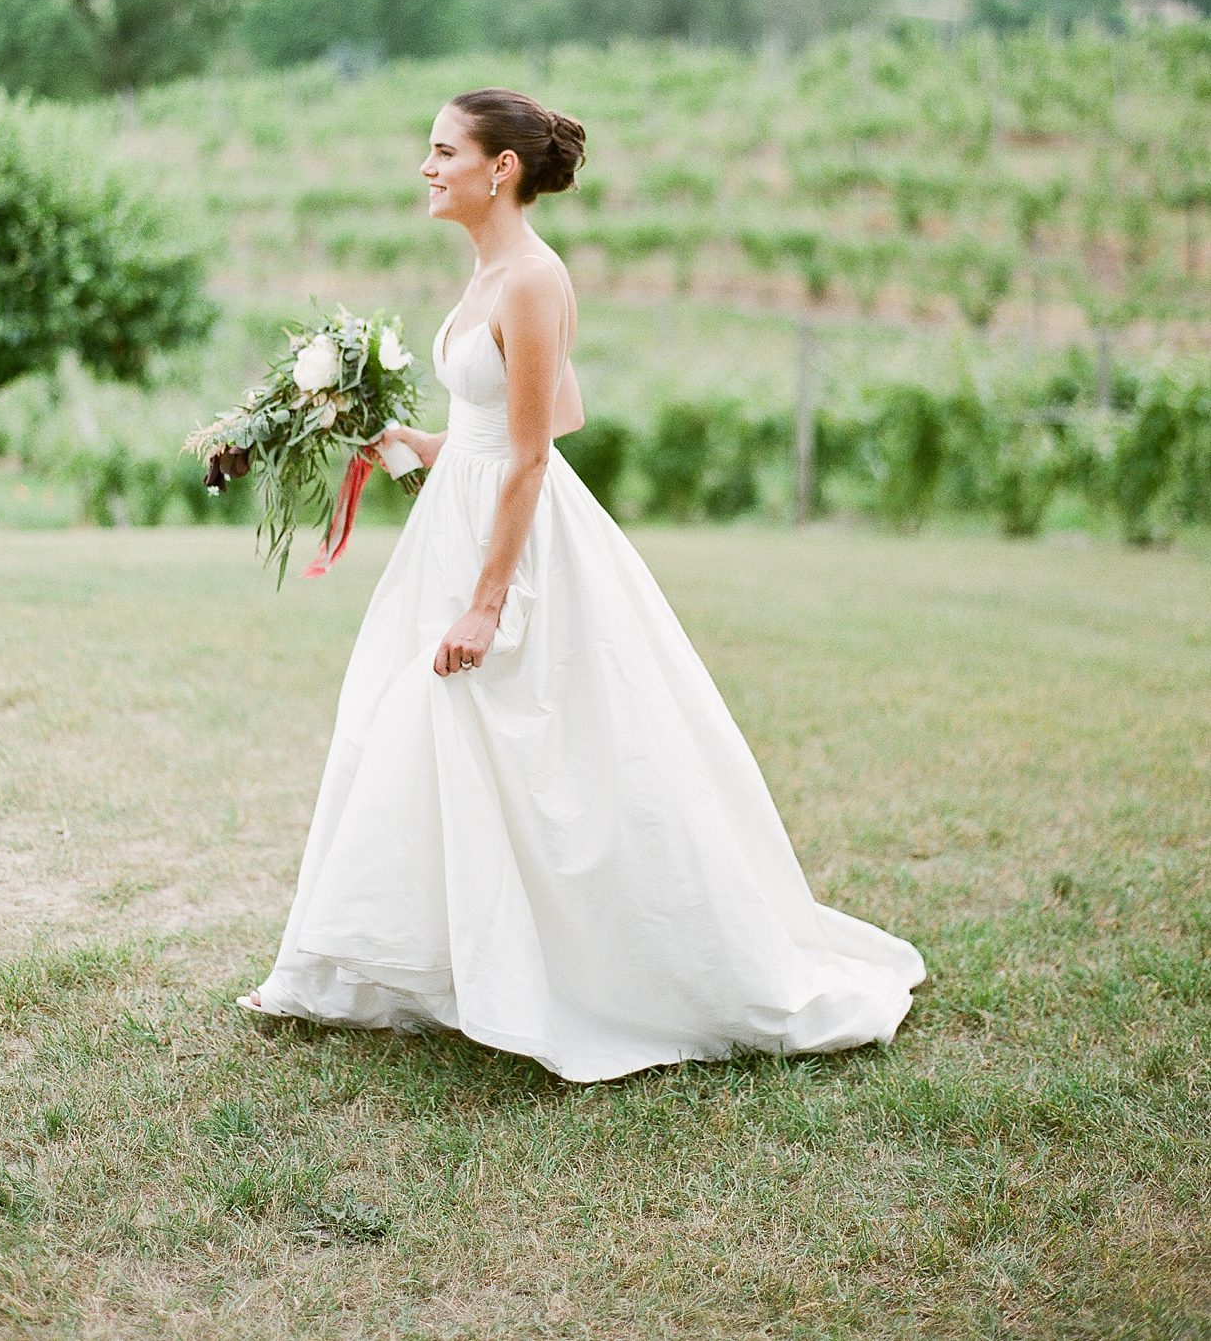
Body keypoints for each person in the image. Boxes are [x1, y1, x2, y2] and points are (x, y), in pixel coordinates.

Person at [237, 88, 925, 1083]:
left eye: (443, 151)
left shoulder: (529, 277)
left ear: (499, 168)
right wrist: (410, 442)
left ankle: (571, 973)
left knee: (545, 757)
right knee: (408, 730)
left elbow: (528, 458)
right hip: (458, 520)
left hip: (508, 544)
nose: (427, 168)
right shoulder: (488, 273)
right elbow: (529, 422)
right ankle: (367, 970)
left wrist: (488, 599)